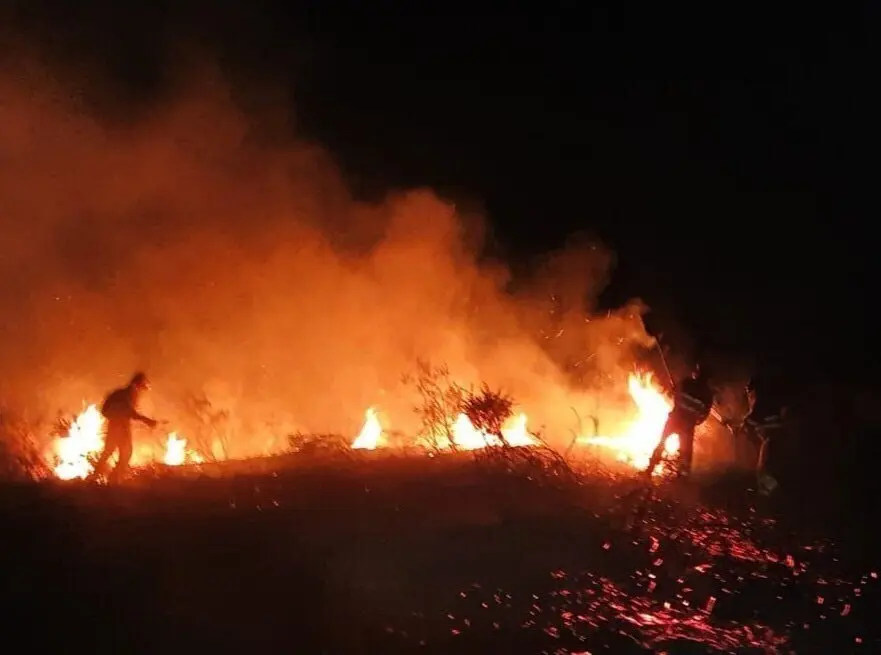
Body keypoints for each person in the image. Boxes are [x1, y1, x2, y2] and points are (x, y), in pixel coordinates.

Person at [644, 363, 715, 479]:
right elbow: (704, 414)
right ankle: (682, 476)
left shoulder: (686, 383)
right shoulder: (707, 395)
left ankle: (650, 469)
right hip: (688, 425)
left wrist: (675, 391)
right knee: (686, 453)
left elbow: (673, 395)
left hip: (675, 419)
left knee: (662, 443)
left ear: (697, 373)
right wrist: (695, 421)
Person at [88, 372, 158, 483]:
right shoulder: (129, 393)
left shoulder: (122, 393)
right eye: (142, 386)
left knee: (108, 452)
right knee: (125, 453)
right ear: (138, 384)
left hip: (115, 426)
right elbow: (129, 412)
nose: (142, 390)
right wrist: (146, 420)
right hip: (121, 427)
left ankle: (95, 478)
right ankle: (114, 479)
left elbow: (112, 411)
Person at [742, 376, 786, 495]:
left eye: (749, 391)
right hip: (776, 438)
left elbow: (754, 419)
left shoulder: (760, 402)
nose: (748, 395)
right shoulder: (771, 400)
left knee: (765, 467)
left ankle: (768, 493)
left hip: (771, 438)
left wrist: (745, 422)